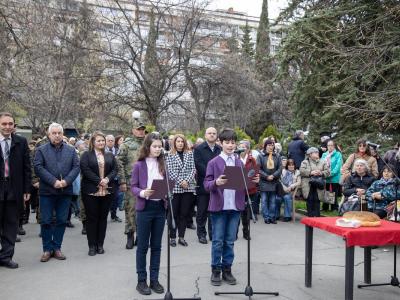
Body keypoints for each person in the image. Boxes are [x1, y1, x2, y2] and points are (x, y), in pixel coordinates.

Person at [204, 128, 259, 286]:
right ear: (220, 143)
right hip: (219, 207)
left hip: (235, 207)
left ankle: (227, 269)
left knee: (230, 241)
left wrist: (253, 181)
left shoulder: (239, 162)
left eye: (233, 142)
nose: (230, 145)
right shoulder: (213, 163)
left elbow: (245, 185)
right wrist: (216, 182)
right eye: (227, 142)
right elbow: (206, 185)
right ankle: (216, 270)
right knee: (218, 241)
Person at [34, 123, 80, 262]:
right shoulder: (41, 150)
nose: (57, 135)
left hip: (65, 191)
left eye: (59, 133)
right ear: (49, 135)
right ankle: (47, 249)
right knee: (46, 220)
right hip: (47, 191)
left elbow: (76, 167)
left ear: (62, 134)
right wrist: (54, 181)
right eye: (54, 133)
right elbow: (38, 167)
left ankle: (57, 248)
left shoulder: (71, 150)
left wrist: (66, 181)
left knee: (61, 220)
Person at [131, 133, 166, 295]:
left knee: (157, 246)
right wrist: (143, 192)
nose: (158, 149)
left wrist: (166, 190)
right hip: (145, 208)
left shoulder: (163, 164)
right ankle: (141, 281)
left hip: (160, 207)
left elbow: (166, 183)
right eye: (155, 146)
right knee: (143, 246)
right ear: (148, 147)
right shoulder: (139, 165)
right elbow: (134, 187)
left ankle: (154, 279)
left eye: (160, 146)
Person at [0, 112, 31, 269]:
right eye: (4, 124)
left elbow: (27, 168)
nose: (7, 127)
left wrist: (27, 189)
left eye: (10, 124)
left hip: (14, 189)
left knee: (11, 225)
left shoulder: (21, 142)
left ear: (14, 125)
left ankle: (6, 257)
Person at [80, 132, 118, 256]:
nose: (101, 143)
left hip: (107, 191)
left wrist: (107, 179)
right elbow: (85, 170)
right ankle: (91, 245)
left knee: (103, 219)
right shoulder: (86, 155)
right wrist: (99, 181)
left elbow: (114, 169)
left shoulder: (110, 155)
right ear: (93, 142)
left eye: (103, 140)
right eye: (99, 141)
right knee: (92, 219)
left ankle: (100, 245)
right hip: (91, 191)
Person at [117, 122, 145, 249]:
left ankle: (141, 236)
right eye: (138, 129)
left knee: (143, 210)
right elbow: (119, 162)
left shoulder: (148, 144)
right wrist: (122, 180)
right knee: (130, 210)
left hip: (145, 183)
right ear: (133, 130)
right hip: (130, 183)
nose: (141, 131)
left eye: (142, 129)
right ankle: (130, 235)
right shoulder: (126, 145)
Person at [166, 134, 196, 247]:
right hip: (175, 188)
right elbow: (169, 171)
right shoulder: (169, 155)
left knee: (184, 214)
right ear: (174, 143)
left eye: (182, 141)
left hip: (187, 188)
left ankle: (181, 237)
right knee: (173, 214)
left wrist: (187, 181)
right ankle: (172, 237)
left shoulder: (189, 154)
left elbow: (193, 169)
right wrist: (180, 181)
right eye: (178, 141)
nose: (180, 143)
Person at [193, 127, 221, 244]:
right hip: (203, 184)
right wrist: (212, 174)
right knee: (202, 211)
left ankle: (212, 234)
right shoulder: (199, 149)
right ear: (205, 135)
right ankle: (201, 234)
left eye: (214, 133)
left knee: (213, 211)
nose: (212, 135)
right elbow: (198, 164)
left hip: (217, 185)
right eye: (209, 133)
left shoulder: (220, 149)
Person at [257, 139, 282, 224]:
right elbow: (258, 169)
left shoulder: (277, 156)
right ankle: (266, 217)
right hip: (264, 181)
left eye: (272, 145)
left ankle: (272, 217)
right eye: (269, 145)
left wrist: (273, 175)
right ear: (265, 146)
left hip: (274, 181)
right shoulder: (261, 156)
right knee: (264, 201)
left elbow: (280, 168)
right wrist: (266, 176)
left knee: (272, 201)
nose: (271, 147)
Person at [300, 147, 330, 217]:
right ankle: (310, 218)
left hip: (319, 184)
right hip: (308, 184)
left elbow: (328, 172)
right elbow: (301, 171)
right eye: (315, 152)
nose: (317, 153)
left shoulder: (323, 161)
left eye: (317, 152)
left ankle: (317, 218)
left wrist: (321, 173)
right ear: (310, 154)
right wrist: (311, 172)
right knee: (309, 200)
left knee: (317, 200)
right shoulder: (305, 162)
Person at [238, 140, 258, 238]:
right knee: (237, 211)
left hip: (249, 190)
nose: (241, 148)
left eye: (244, 146)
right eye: (240, 146)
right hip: (237, 189)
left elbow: (256, 172)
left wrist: (257, 178)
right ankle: (234, 232)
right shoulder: (234, 158)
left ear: (248, 149)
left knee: (246, 212)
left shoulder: (252, 160)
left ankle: (246, 231)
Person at [321, 140, 343, 211]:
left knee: (334, 192)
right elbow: (321, 164)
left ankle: (334, 208)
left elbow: (338, 165)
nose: (329, 147)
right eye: (328, 145)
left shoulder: (338, 154)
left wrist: (331, 173)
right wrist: (324, 173)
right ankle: (325, 207)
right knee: (326, 192)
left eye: (331, 145)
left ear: (334, 146)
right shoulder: (324, 154)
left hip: (334, 176)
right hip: (325, 176)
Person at [275, 156, 287, 221]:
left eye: (285, 160)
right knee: (278, 199)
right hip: (279, 191)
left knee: (281, 197)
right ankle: (276, 214)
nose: (284, 162)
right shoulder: (277, 170)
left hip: (287, 190)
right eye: (283, 160)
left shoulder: (289, 170)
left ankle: (286, 216)